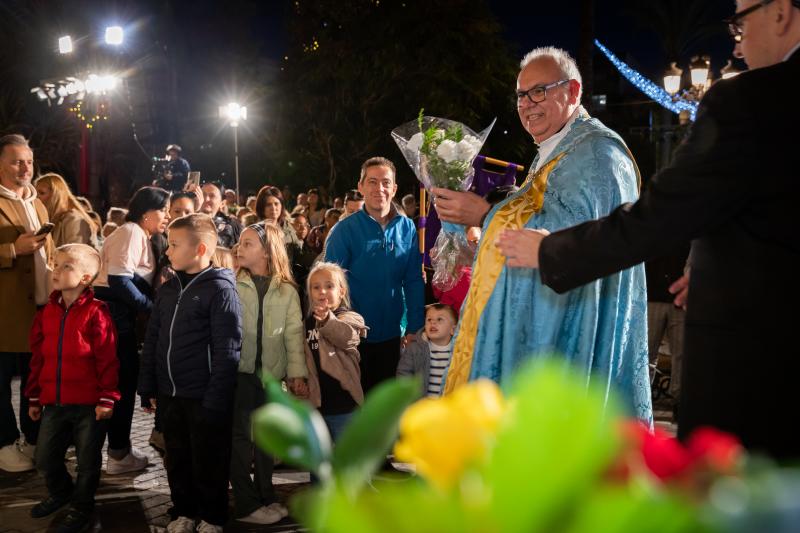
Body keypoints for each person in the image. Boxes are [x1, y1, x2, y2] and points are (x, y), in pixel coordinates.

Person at [497, 0, 800, 459]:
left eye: (740, 23)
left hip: (760, 367)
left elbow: (661, 215)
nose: (736, 46)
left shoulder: (750, 99)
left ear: (779, 12)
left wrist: (551, 250)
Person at [434, 47, 651, 424]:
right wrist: (473, 231)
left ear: (573, 91)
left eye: (540, 91)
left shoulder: (598, 154)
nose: (527, 104)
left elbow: (579, 244)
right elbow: (534, 224)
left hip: (568, 338)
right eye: (521, 94)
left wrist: (486, 214)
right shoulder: (552, 154)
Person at [138, 213, 241, 533]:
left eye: (173, 245)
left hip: (203, 397)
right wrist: (148, 385)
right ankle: (184, 511)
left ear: (199, 250)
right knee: (177, 459)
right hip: (170, 394)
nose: (166, 251)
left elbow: (228, 350)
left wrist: (216, 399)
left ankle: (212, 516)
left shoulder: (221, 290)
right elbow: (153, 340)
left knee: (208, 461)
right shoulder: (167, 290)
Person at [25, 244, 118, 532]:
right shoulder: (46, 312)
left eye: (67, 266)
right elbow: (38, 356)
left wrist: (107, 398)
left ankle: (81, 506)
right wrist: (35, 396)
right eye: (56, 264)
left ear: (85, 277)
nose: (56, 270)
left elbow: (108, 357)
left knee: (87, 462)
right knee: (44, 458)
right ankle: (62, 491)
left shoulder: (96, 312)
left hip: (90, 404)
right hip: (53, 401)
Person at [325, 157, 425, 394]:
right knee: (356, 412)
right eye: (372, 182)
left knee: (387, 411)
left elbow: (412, 280)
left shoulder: (407, 227)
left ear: (394, 189)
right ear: (360, 187)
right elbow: (329, 285)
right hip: (353, 339)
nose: (379, 188)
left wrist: (414, 327)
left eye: (385, 182)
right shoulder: (344, 230)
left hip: (393, 336)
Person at [231, 223, 305, 525]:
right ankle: (246, 503)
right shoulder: (233, 284)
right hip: (240, 374)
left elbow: (293, 334)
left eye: (248, 243)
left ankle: (266, 495)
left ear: (266, 250)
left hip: (271, 376)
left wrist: (296, 373)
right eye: (240, 242)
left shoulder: (286, 290)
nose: (240, 247)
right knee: (239, 439)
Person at [93, 186, 170, 474]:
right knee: (120, 384)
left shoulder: (142, 235)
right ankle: (117, 454)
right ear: (147, 212)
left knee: (121, 383)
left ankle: (118, 450)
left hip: (119, 316)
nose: (166, 216)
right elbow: (118, 280)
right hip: (113, 317)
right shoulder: (131, 232)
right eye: (163, 210)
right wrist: (152, 308)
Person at [0, 134, 54, 473]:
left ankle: (33, 441)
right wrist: (11, 250)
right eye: (17, 161)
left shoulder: (38, 203)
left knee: (36, 381)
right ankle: (4, 443)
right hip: (4, 312)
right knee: (0, 381)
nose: (25, 167)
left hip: (39, 308)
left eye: (29, 161)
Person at [303, 262, 366, 440]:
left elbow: (346, 336)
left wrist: (326, 321)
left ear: (341, 291)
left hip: (344, 404)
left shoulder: (350, 318)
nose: (322, 291)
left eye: (329, 286)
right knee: (318, 463)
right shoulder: (306, 323)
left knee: (347, 461)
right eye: (316, 287)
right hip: (316, 406)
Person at [397, 303, 457, 398]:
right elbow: (404, 374)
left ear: (453, 330)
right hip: (423, 407)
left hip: (449, 408)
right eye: (429, 320)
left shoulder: (459, 352)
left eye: (439, 319)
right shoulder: (415, 349)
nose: (432, 323)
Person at [34, 173, 99, 248]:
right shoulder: (50, 218)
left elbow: (74, 254)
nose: (36, 198)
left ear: (56, 196)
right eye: (35, 193)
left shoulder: (74, 220)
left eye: (41, 193)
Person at [200, 181, 241, 249]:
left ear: (222, 203)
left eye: (212, 196)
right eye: (203, 195)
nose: (206, 199)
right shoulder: (188, 222)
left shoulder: (232, 226)